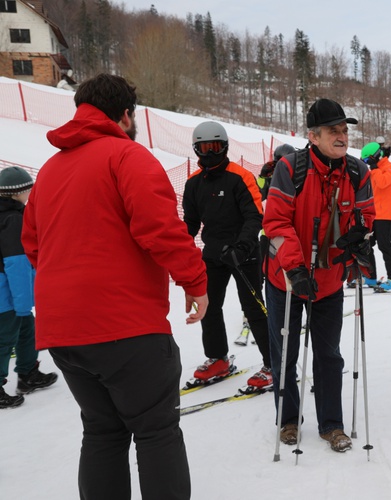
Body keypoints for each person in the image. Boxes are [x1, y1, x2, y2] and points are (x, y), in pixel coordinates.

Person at [21, 73, 208, 500]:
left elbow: (33, 245)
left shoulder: (49, 172)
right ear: (126, 115)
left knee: (103, 432)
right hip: (126, 328)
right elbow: (159, 229)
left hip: (64, 333)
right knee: (156, 430)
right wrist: (195, 281)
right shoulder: (127, 157)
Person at [263, 97, 374, 452]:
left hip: (329, 282)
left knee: (329, 354)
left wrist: (360, 238)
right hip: (286, 281)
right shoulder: (289, 168)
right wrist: (295, 269)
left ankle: (332, 425)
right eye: (333, 131)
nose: (342, 136)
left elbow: (366, 217)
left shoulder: (358, 172)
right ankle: (288, 420)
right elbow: (276, 223)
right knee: (286, 354)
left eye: (344, 130)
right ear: (314, 136)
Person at [183, 121, 272, 391]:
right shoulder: (193, 183)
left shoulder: (240, 177)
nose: (210, 153)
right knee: (208, 305)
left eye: (216, 147)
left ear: (225, 147)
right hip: (213, 254)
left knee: (253, 308)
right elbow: (189, 223)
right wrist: (179, 250)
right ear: (197, 149)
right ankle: (218, 358)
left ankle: (273, 362)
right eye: (205, 148)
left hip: (243, 254)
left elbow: (254, 215)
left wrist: (242, 247)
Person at [0, 166, 57, 409]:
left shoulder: (11, 214)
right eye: (28, 190)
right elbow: (17, 264)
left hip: (11, 294)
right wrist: (23, 303)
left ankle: (27, 373)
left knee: (26, 330)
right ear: (17, 193)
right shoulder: (13, 219)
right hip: (7, 296)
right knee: (5, 339)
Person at [360, 141, 391, 290]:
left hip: (385, 215)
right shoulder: (376, 170)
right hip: (373, 214)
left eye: (367, 160)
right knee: (368, 245)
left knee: (385, 246)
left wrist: (374, 168)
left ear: (375, 156)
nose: (367, 164)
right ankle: (370, 277)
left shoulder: (389, 169)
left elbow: (383, 183)